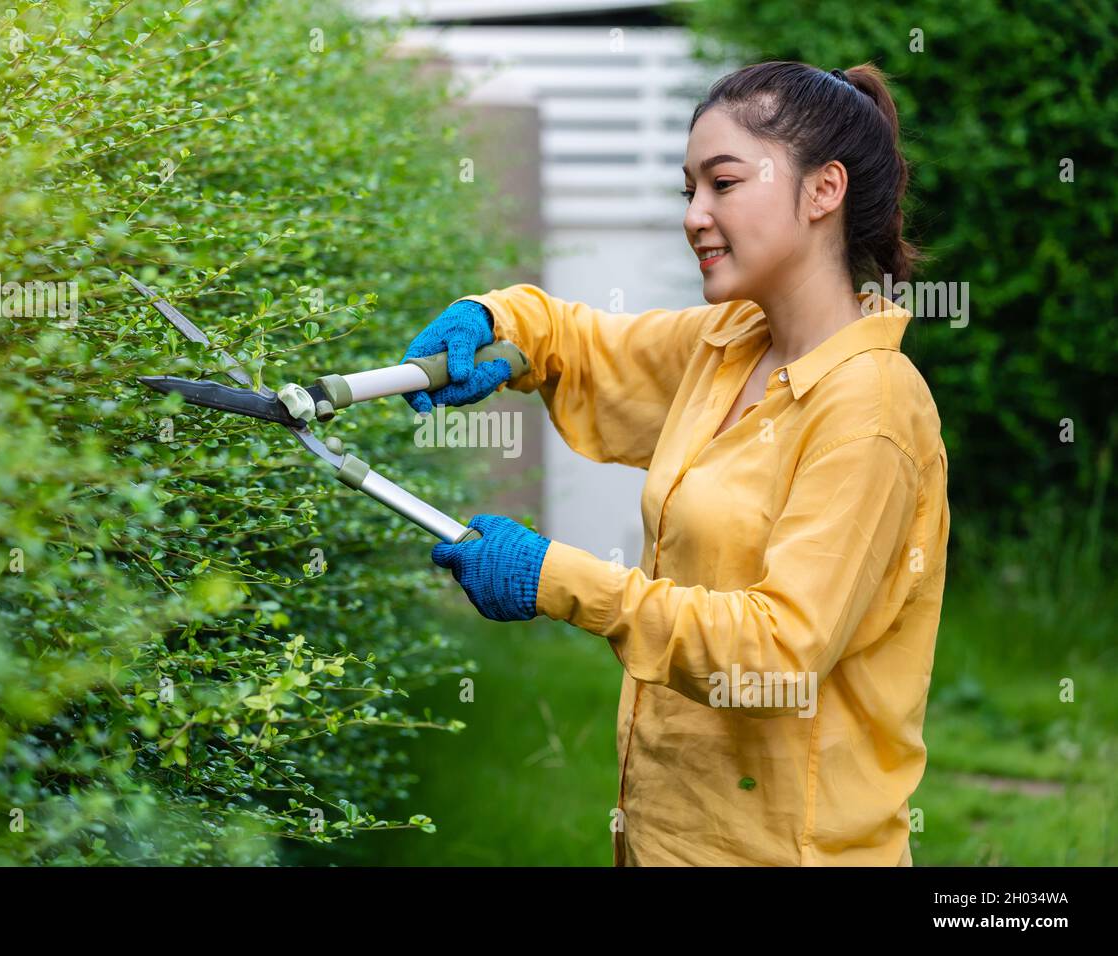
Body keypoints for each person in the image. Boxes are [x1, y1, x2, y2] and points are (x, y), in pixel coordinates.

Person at [402, 61, 950, 866]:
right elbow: (580, 343)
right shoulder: (729, 345)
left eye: (722, 183)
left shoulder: (869, 410)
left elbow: (778, 655)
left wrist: (560, 580)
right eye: (687, 190)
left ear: (823, 190)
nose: (694, 216)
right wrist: (496, 319)